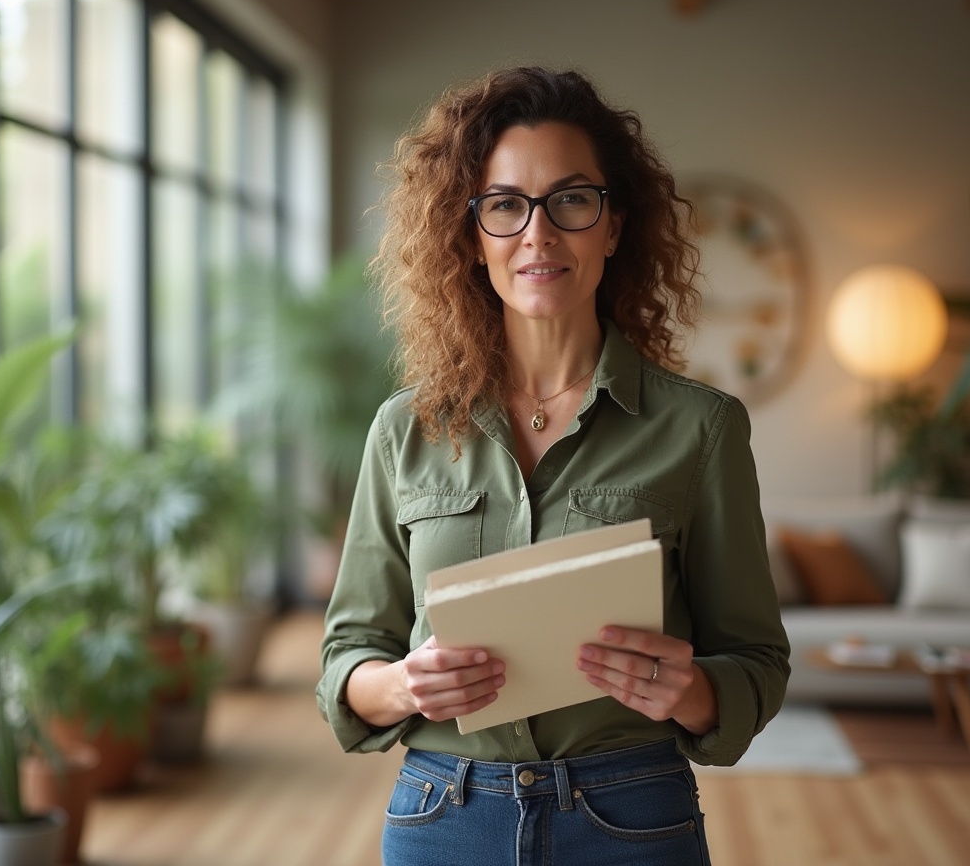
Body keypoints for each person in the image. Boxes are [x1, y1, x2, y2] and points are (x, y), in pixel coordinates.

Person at [316, 66, 790, 866]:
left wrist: (697, 692)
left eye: (571, 200)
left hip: (632, 816)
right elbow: (347, 655)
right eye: (505, 205)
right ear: (470, 235)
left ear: (612, 225)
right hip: (442, 814)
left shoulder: (702, 429)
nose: (537, 234)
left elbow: (756, 659)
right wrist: (402, 685)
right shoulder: (404, 430)